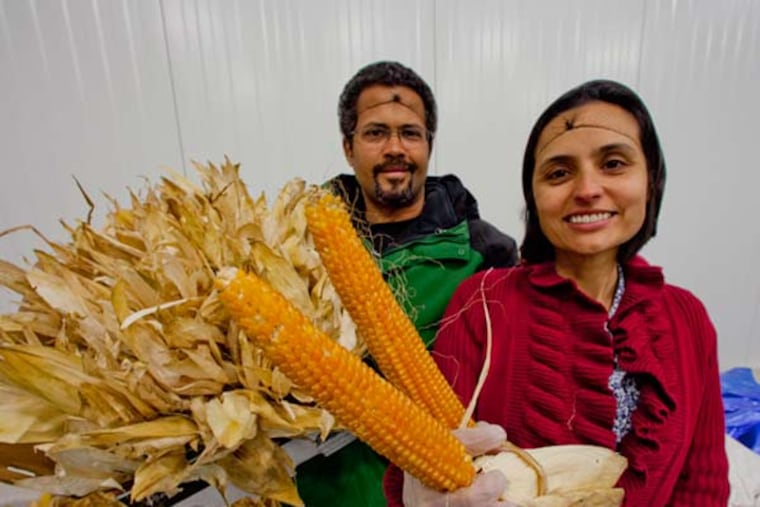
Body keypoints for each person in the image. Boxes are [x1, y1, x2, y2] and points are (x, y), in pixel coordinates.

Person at [384, 79, 730, 506]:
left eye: (614, 163)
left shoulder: (687, 318)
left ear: (651, 181)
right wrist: (416, 494)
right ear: (534, 196)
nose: (586, 189)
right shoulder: (482, 305)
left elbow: (703, 485)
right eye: (559, 172)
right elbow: (421, 461)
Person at [295, 61, 518, 506]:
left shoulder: (486, 251)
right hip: (320, 493)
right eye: (376, 133)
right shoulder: (295, 248)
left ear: (429, 145)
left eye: (411, 133)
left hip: (443, 492)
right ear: (347, 146)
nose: (395, 148)